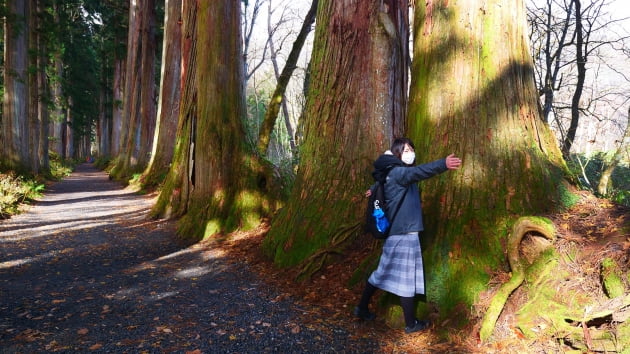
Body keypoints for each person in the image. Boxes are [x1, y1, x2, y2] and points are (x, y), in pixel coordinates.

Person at [354, 137, 462, 334]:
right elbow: (419, 172)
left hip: (397, 233)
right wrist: (443, 164)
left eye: (411, 148)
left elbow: (379, 183)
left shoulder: (390, 172)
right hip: (404, 234)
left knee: (381, 274)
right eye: (405, 150)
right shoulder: (400, 172)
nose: (410, 152)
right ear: (397, 155)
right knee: (405, 280)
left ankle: (361, 308)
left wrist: (371, 189)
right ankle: (411, 324)